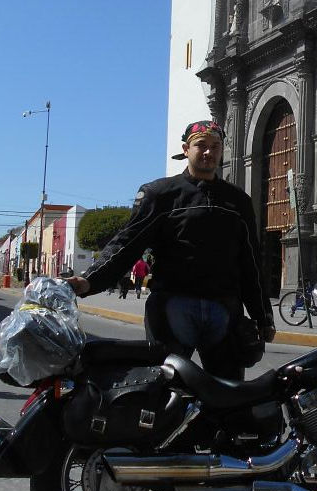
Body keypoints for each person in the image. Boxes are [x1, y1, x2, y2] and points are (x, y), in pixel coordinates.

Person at [67, 120, 274, 378]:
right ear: (186, 149)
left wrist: (263, 316)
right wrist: (89, 280)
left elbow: (250, 261)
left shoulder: (238, 200)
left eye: (215, 146)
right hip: (173, 309)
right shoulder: (160, 194)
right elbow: (128, 242)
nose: (209, 152)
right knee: (162, 395)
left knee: (227, 398)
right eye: (201, 146)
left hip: (224, 311)